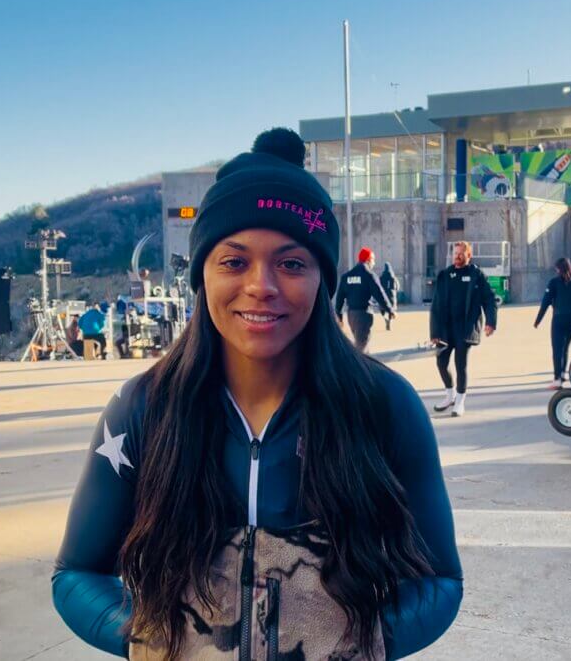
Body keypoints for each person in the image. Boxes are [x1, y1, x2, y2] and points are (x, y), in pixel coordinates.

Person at [53, 128, 460, 659]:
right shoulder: (143, 407)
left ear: (323, 278)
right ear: (202, 273)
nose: (261, 285)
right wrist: (155, 639)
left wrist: (355, 643)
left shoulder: (384, 405)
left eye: (292, 263)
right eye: (234, 261)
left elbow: (441, 580)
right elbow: (75, 573)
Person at [429, 240, 497, 417]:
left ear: (469, 255)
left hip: (465, 328)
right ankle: (450, 394)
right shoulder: (445, 275)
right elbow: (435, 306)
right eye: (455, 252)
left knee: (461, 364)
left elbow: (489, 299)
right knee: (441, 363)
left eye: (461, 253)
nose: (457, 256)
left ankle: (460, 401)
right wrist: (435, 332)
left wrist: (491, 322)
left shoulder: (476, 275)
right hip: (445, 328)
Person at [534, 257, 571, 389]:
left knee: (557, 349)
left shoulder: (554, 283)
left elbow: (545, 302)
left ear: (559, 270)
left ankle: (557, 379)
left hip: (559, 318)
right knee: (565, 346)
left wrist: (538, 320)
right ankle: (562, 373)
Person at [334, 247, 395, 353]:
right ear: (368, 259)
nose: (374, 263)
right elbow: (380, 294)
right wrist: (390, 310)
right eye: (373, 260)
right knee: (361, 348)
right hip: (364, 315)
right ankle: (357, 367)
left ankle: (363, 365)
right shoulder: (369, 275)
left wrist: (339, 316)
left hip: (351, 315)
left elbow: (339, 298)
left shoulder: (347, 276)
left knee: (361, 343)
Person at [380, 261, 400, 330]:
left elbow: (378, 286)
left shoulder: (382, 277)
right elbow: (398, 287)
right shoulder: (394, 277)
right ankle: (390, 321)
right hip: (392, 296)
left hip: (384, 296)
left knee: (382, 310)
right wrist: (394, 292)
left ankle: (386, 320)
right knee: (391, 310)